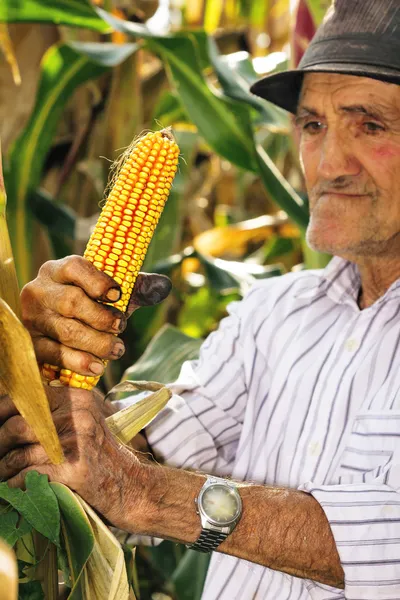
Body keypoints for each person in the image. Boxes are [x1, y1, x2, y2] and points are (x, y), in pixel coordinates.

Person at [1, 0, 400, 597]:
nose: (327, 163)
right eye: (313, 124)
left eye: (369, 125)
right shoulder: (273, 315)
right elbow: (149, 446)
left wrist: (139, 493)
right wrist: (45, 380)